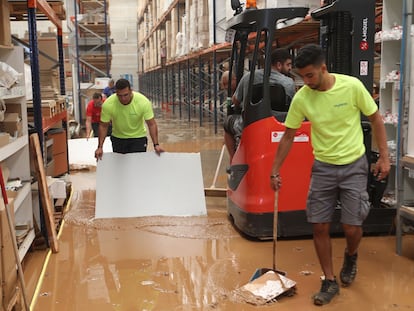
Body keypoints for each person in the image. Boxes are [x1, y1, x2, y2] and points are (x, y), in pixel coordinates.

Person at [269, 44, 390, 306]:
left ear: (323, 68)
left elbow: (376, 119)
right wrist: (274, 170)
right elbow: (288, 135)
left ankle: (351, 253)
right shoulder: (303, 98)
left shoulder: (352, 87)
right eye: (302, 77)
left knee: (352, 226)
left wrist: (383, 156)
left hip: (354, 165)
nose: (306, 82)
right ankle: (329, 279)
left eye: (310, 75)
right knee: (319, 225)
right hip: (323, 166)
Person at [223, 48, 295, 161]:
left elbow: (235, 101)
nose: (290, 68)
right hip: (280, 126)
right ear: (279, 65)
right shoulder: (289, 83)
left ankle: (233, 160)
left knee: (228, 123)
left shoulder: (248, 77)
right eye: (288, 64)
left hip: (249, 125)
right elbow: (292, 107)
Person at [94, 78, 164, 160]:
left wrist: (156, 145)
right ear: (116, 93)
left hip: (138, 138)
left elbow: (151, 124)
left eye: (125, 95)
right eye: (119, 96)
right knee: (121, 168)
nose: (123, 98)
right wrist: (100, 147)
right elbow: (103, 126)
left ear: (131, 91)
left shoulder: (143, 102)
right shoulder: (108, 104)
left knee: (136, 167)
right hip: (118, 139)